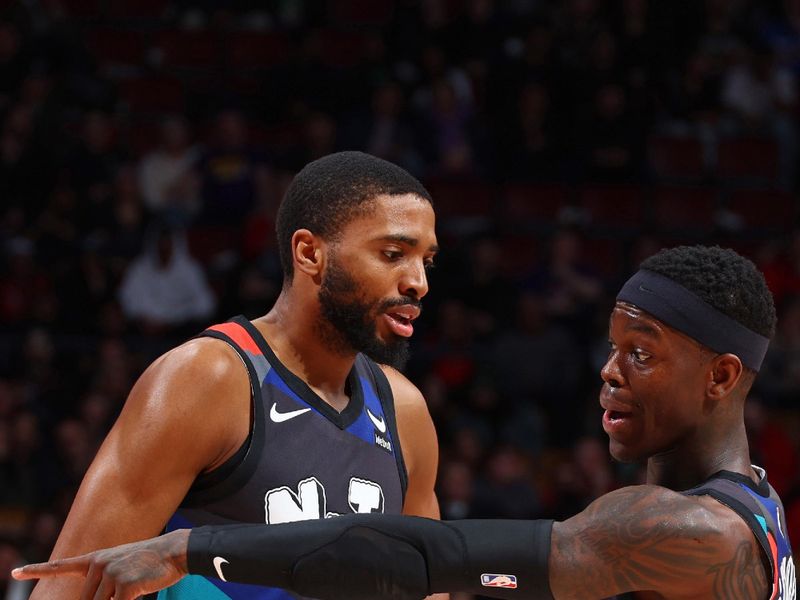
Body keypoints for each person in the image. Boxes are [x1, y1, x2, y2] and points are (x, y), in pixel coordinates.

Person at [14, 245, 797, 600]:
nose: (609, 371)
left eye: (643, 354)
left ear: (722, 377)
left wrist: (190, 548)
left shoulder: (695, 532)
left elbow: (428, 554)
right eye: (613, 347)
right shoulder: (755, 503)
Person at [26, 151, 443, 600]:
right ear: (309, 253)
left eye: (427, 261)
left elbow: (429, 587)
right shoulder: (208, 379)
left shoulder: (404, 410)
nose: (417, 282)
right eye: (394, 253)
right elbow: (67, 589)